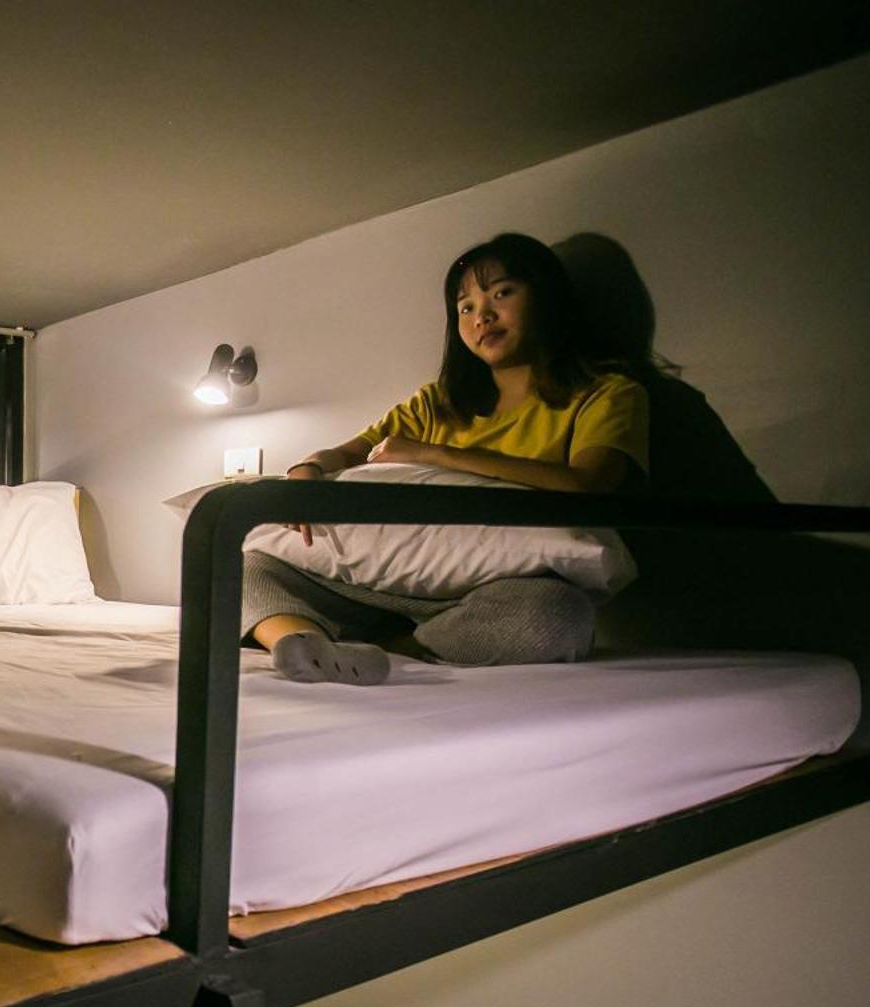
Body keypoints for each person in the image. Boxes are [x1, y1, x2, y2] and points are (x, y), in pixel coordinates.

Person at [247, 232, 649, 685]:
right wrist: (306, 470)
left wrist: (435, 454)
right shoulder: (437, 403)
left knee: (559, 615)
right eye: (466, 307)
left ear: (546, 297)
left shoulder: (606, 393)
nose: (483, 316)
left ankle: (393, 646)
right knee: (244, 563)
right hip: (381, 586)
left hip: (491, 594)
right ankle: (299, 641)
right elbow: (346, 453)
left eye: (502, 294)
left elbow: (589, 482)